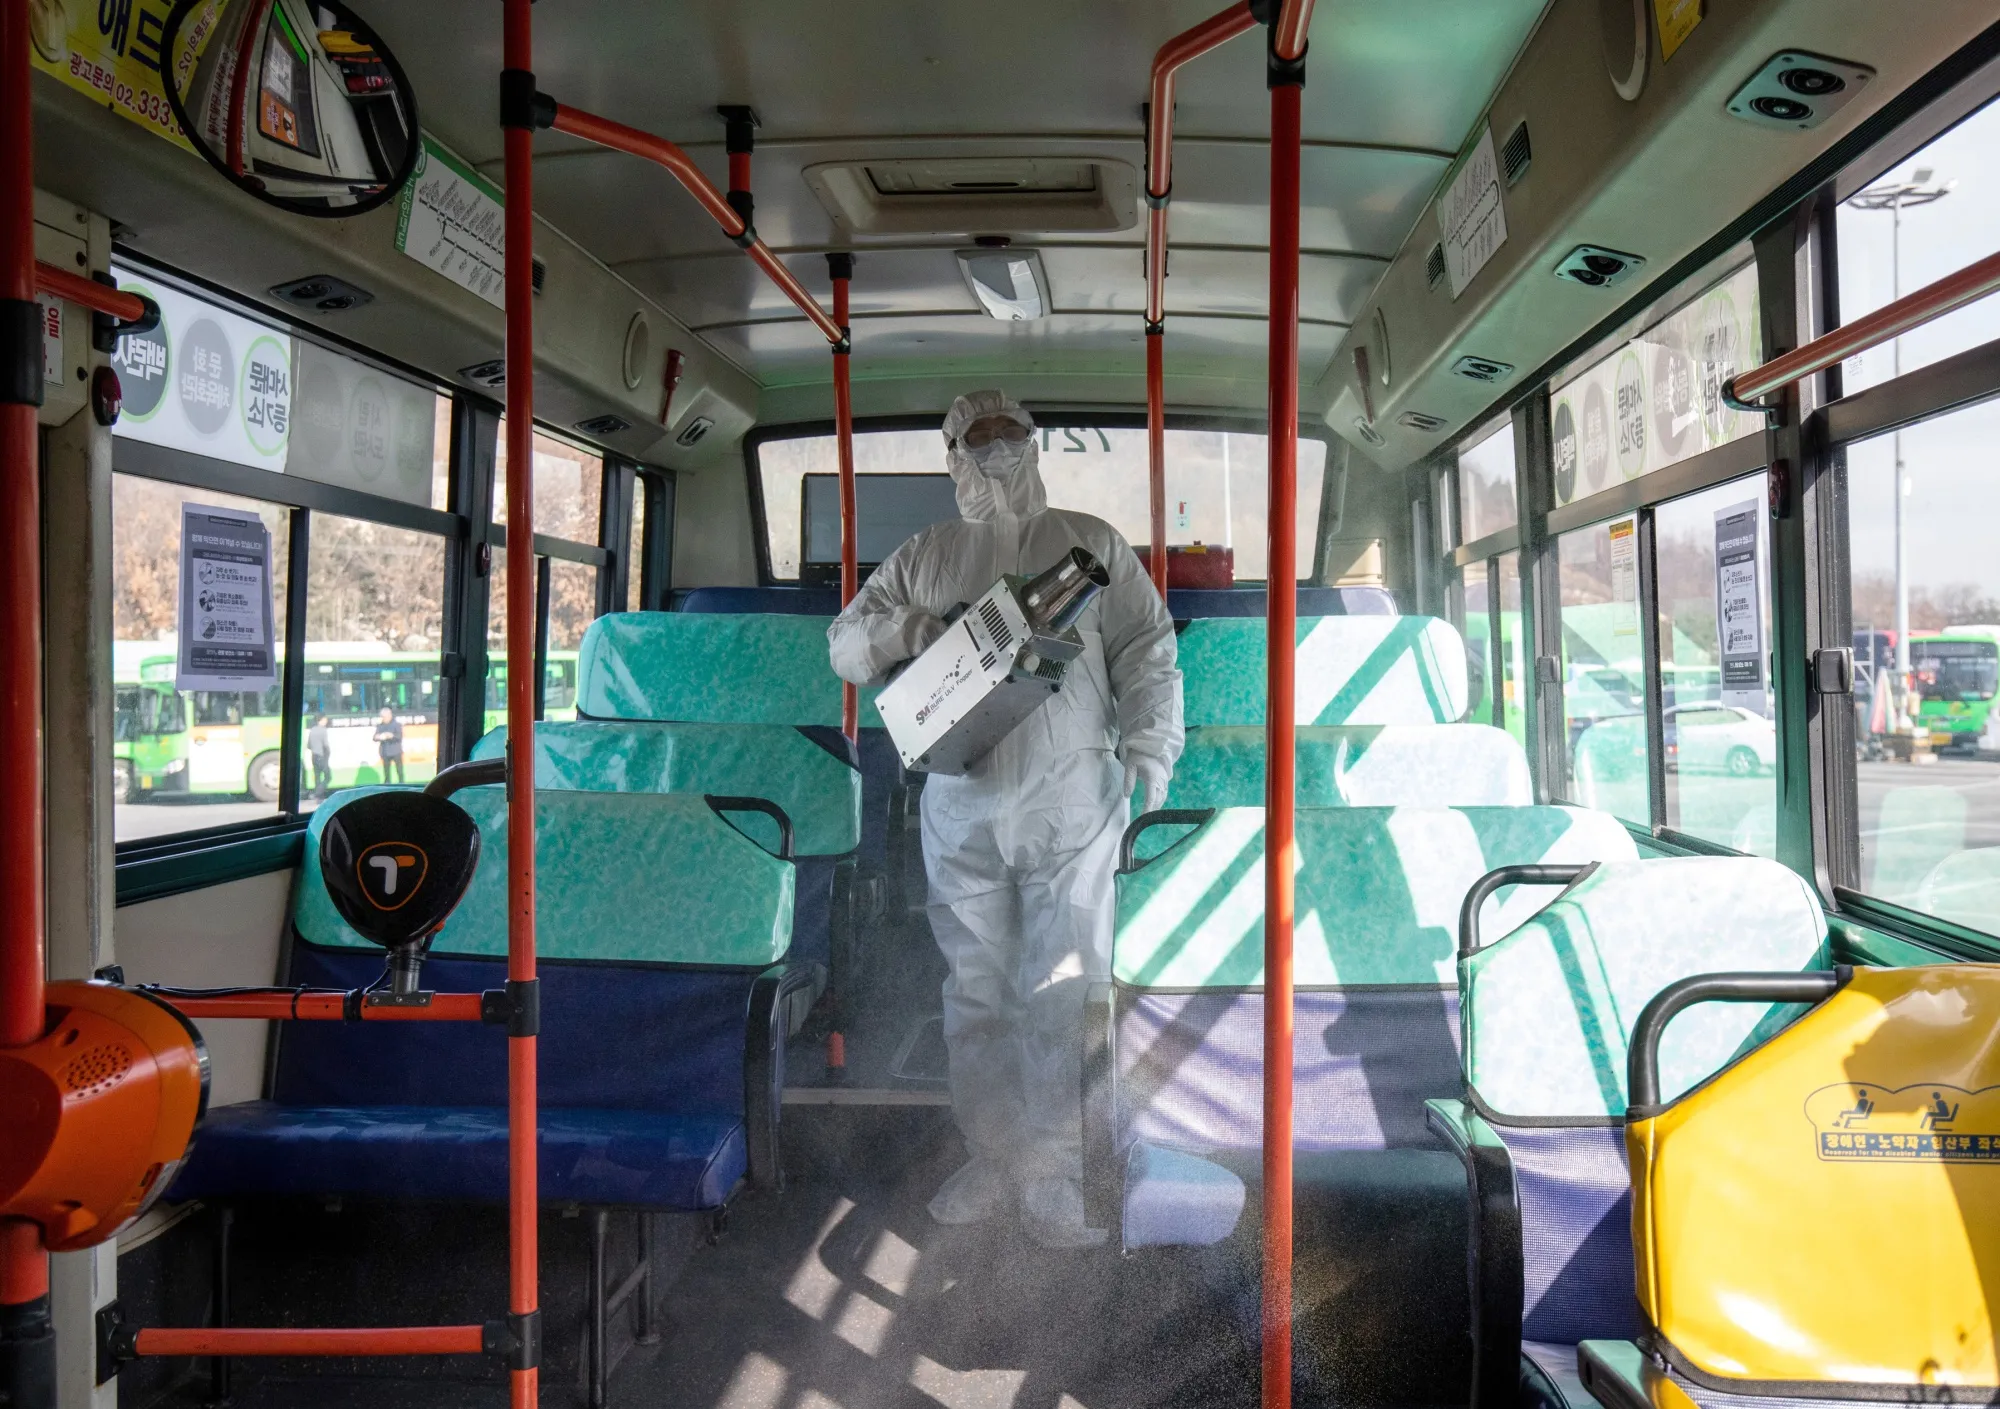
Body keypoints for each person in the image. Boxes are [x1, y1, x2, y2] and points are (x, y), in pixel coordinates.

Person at [829, 390, 1182, 1247]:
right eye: (975, 439)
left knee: (1061, 991)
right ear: (951, 452)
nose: (993, 454)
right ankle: (991, 1154)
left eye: (1007, 437)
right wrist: (910, 628)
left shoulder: (1091, 543)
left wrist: (1151, 747)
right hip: (963, 800)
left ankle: (1054, 1166)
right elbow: (844, 640)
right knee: (978, 992)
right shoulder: (927, 555)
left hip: (1074, 799)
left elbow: (1148, 645)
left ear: (1031, 445)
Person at [373, 705, 404, 785]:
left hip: (396, 751)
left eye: (384, 717)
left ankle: (402, 785)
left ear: (389, 715)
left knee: (399, 771)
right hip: (385, 751)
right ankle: (387, 786)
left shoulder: (396, 724)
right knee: (386, 772)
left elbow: (399, 737)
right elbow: (374, 737)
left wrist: (391, 736)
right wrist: (379, 737)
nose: (383, 718)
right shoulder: (380, 725)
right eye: (382, 717)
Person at [307, 713, 333, 798]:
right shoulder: (323, 730)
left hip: (314, 756)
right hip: (321, 756)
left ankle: (317, 794)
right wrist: (328, 754)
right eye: (325, 719)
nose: (326, 721)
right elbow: (326, 745)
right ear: (321, 720)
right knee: (328, 776)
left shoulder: (312, 730)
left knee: (317, 776)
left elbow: (309, 745)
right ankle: (318, 793)